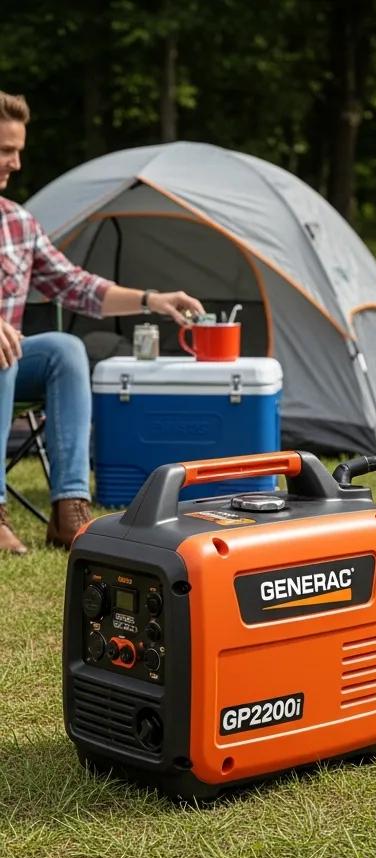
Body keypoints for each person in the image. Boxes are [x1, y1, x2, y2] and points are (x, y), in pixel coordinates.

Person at [0, 90, 205, 554]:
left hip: (7, 364)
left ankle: (69, 509)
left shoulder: (18, 224)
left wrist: (154, 299)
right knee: (6, 347)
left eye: (18, 151)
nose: (16, 163)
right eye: (6, 151)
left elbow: (78, 287)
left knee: (64, 349)